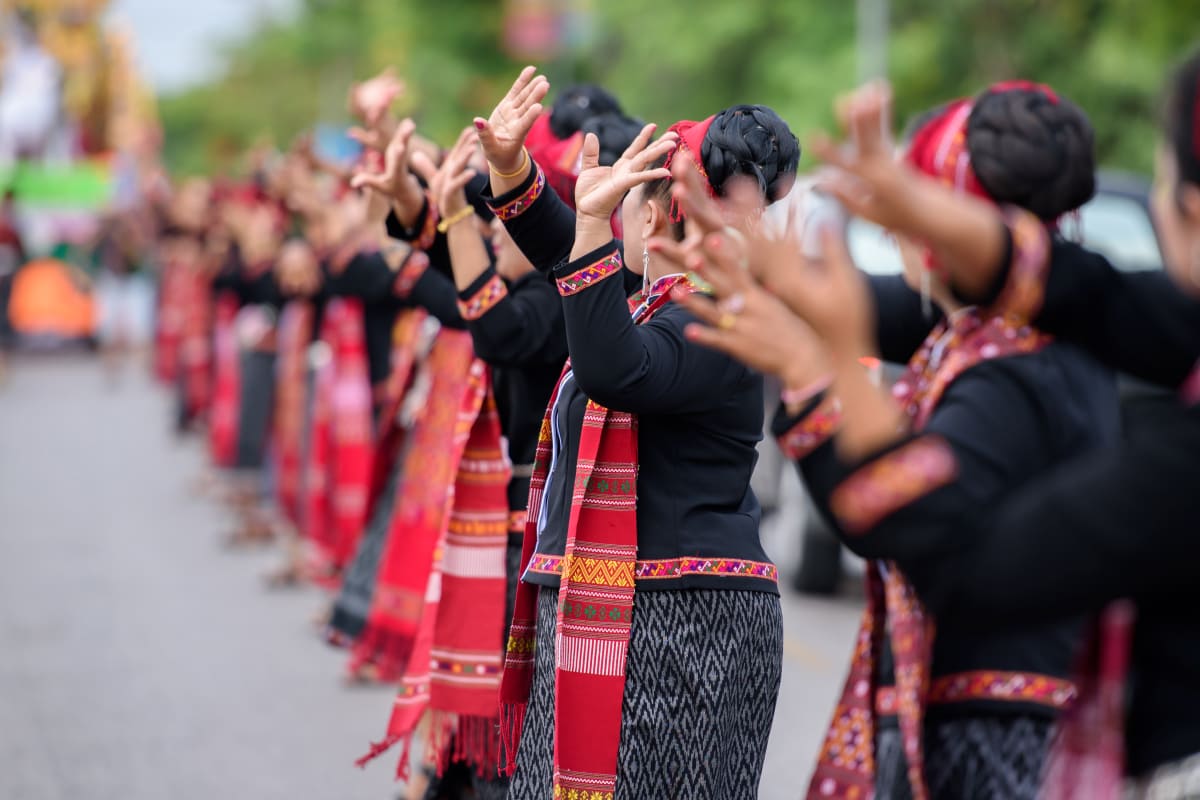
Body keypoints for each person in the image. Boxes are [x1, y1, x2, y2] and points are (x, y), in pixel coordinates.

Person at [667, 82, 1121, 800]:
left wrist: (817, 373)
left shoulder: (1009, 376)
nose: (893, 224)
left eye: (910, 200)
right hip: (980, 709)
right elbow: (835, 297)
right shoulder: (990, 332)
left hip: (993, 730)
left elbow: (891, 519)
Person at [476, 67, 799, 799]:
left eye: (625, 204)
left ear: (652, 218)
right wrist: (510, 167)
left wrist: (591, 226)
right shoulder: (661, 303)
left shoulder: (720, 321)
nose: (611, 218)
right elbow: (573, 264)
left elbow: (614, 369)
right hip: (642, 612)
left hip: (684, 626)